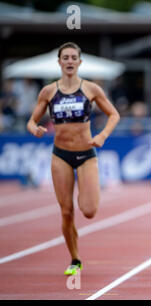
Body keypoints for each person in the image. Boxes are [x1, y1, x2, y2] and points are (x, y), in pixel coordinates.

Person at [26, 42, 120, 275]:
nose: (69, 61)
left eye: (73, 58)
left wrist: (102, 136)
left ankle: (84, 193)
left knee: (88, 210)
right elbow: (31, 120)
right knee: (66, 211)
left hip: (86, 154)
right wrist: (34, 129)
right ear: (59, 62)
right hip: (61, 155)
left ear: (79, 62)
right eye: (65, 57)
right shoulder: (48, 92)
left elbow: (114, 114)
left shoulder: (90, 89)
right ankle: (75, 259)